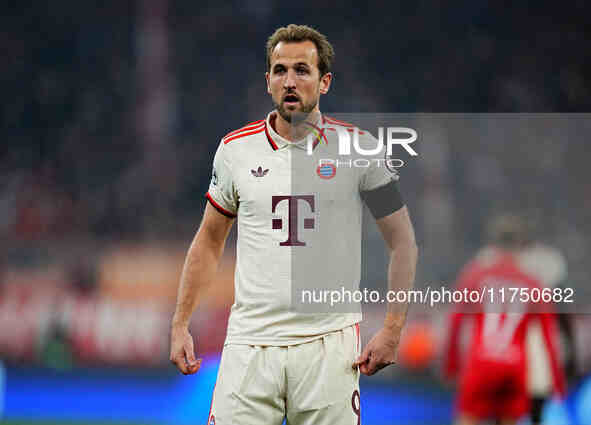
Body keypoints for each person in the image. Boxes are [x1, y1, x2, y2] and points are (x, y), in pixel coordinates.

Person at [169, 24, 418, 425]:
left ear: (325, 82)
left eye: (302, 70)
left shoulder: (362, 150)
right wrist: (180, 323)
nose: (290, 81)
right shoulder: (235, 151)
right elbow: (209, 241)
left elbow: (402, 242)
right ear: (267, 81)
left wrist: (392, 329)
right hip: (250, 346)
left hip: (329, 348)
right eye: (280, 70)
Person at [444, 215, 566, 425]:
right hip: (515, 367)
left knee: (467, 418)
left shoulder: (476, 275)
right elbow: (548, 336)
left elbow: (456, 320)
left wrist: (451, 363)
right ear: (521, 247)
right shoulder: (533, 283)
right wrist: (557, 382)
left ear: (493, 244)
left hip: (480, 362)